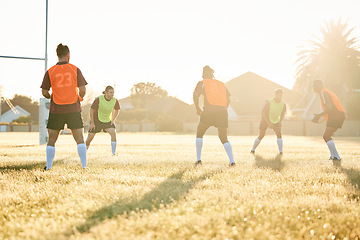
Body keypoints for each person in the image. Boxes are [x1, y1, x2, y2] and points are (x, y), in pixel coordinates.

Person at [40, 43, 87, 170]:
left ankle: (49, 167)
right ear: (68, 55)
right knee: (80, 139)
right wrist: (80, 97)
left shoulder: (50, 71)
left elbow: (44, 92)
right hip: (73, 108)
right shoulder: (75, 69)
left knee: (52, 139)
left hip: (57, 109)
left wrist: (51, 97)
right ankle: (84, 166)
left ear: (57, 55)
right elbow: (82, 89)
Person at [193, 65, 235, 166]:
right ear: (212, 74)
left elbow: (195, 95)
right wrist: (224, 108)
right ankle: (232, 161)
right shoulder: (221, 84)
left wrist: (198, 109)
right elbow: (228, 99)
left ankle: (198, 160)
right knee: (223, 137)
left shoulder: (202, 83)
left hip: (209, 111)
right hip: (222, 112)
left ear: (203, 74)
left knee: (200, 133)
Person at [312, 80, 345, 160]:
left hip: (336, 115)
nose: (313, 87)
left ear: (319, 85)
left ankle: (336, 157)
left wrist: (319, 115)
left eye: (314, 85)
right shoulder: (324, 92)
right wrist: (320, 118)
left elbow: (329, 108)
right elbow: (329, 110)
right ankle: (333, 156)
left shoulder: (323, 93)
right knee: (327, 136)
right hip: (337, 114)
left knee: (326, 136)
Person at [85, 86, 120, 155]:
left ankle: (113, 153)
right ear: (106, 92)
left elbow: (117, 110)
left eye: (113, 92)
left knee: (113, 133)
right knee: (89, 139)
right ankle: (83, 152)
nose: (112, 94)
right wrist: (92, 123)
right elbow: (91, 110)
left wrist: (113, 120)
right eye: (110, 92)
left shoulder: (115, 100)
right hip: (96, 121)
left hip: (107, 121)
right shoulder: (98, 99)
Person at [251, 89, 287, 154]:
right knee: (261, 135)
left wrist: (280, 121)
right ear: (275, 95)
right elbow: (262, 112)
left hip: (275, 120)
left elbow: (283, 113)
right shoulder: (268, 102)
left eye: (280, 96)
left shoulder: (283, 104)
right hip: (265, 120)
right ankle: (253, 150)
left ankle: (281, 152)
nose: (279, 97)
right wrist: (268, 123)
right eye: (278, 95)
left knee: (279, 134)